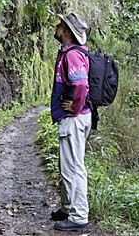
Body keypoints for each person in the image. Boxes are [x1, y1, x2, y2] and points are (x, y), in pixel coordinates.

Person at [50, 12, 91, 232]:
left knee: (74, 168)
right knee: (66, 165)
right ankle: (68, 208)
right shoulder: (70, 53)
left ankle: (78, 216)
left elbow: (81, 85)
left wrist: (74, 107)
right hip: (75, 118)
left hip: (74, 119)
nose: (56, 27)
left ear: (66, 30)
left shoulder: (72, 55)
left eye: (60, 24)